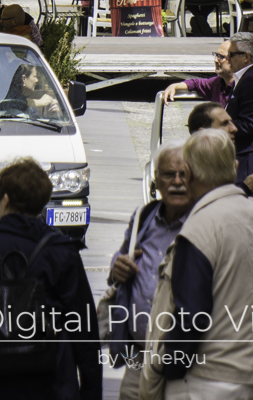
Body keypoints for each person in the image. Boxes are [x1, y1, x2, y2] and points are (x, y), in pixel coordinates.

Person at [138, 130, 253, 400]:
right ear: (234, 167)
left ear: (187, 173)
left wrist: (169, 367)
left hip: (205, 380)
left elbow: (191, 314)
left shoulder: (199, 227)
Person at [0, 157, 102, 400]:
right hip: (50, 382)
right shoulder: (62, 252)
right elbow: (83, 329)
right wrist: (90, 390)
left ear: (5, 199)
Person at [109, 144, 196, 398]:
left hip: (182, 360)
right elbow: (123, 254)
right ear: (156, 179)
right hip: (137, 355)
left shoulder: (201, 222)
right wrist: (118, 264)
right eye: (169, 174)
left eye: (184, 174)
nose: (177, 182)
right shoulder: (143, 216)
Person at [161, 39, 253, 143]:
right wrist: (175, 86)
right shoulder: (217, 83)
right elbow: (196, 83)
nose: (215, 60)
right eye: (215, 55)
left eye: (221, 57)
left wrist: (252, 144)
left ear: (232, 60)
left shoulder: (245, 87)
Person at [184, 103, 253, 195]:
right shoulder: (188, 170)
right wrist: (245, 189)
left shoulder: (223, 164)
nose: (234, 128)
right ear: (203, 132)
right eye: (224, 124)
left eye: (231, 122)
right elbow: (212, 205)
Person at [222, 32, 253, 184]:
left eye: (231, 54)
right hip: (246, 157)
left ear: (246, 57)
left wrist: (218, 129)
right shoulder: (245, 78)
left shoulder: (251, 80)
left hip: (248, 159)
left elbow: (249, 122)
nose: (227, 58)